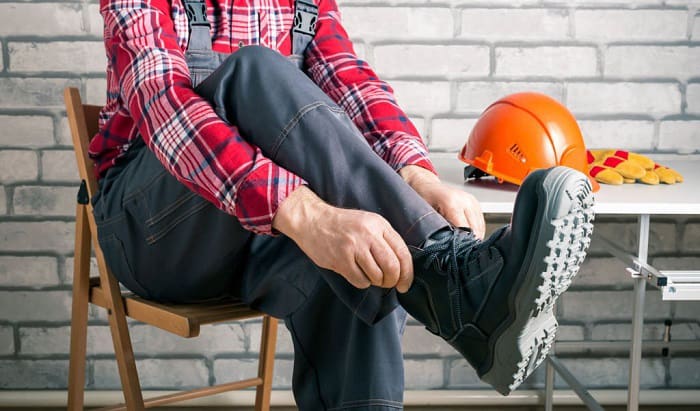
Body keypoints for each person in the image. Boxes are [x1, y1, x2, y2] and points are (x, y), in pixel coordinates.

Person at [89, 0, 595, 408]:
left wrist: (417, 177)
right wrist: (308, 215)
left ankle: (452, 285)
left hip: (257, 236)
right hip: (154, 231)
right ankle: (460, 283)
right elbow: (165, 111)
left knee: (366, 258)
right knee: (253, 73)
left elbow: (351, 83)